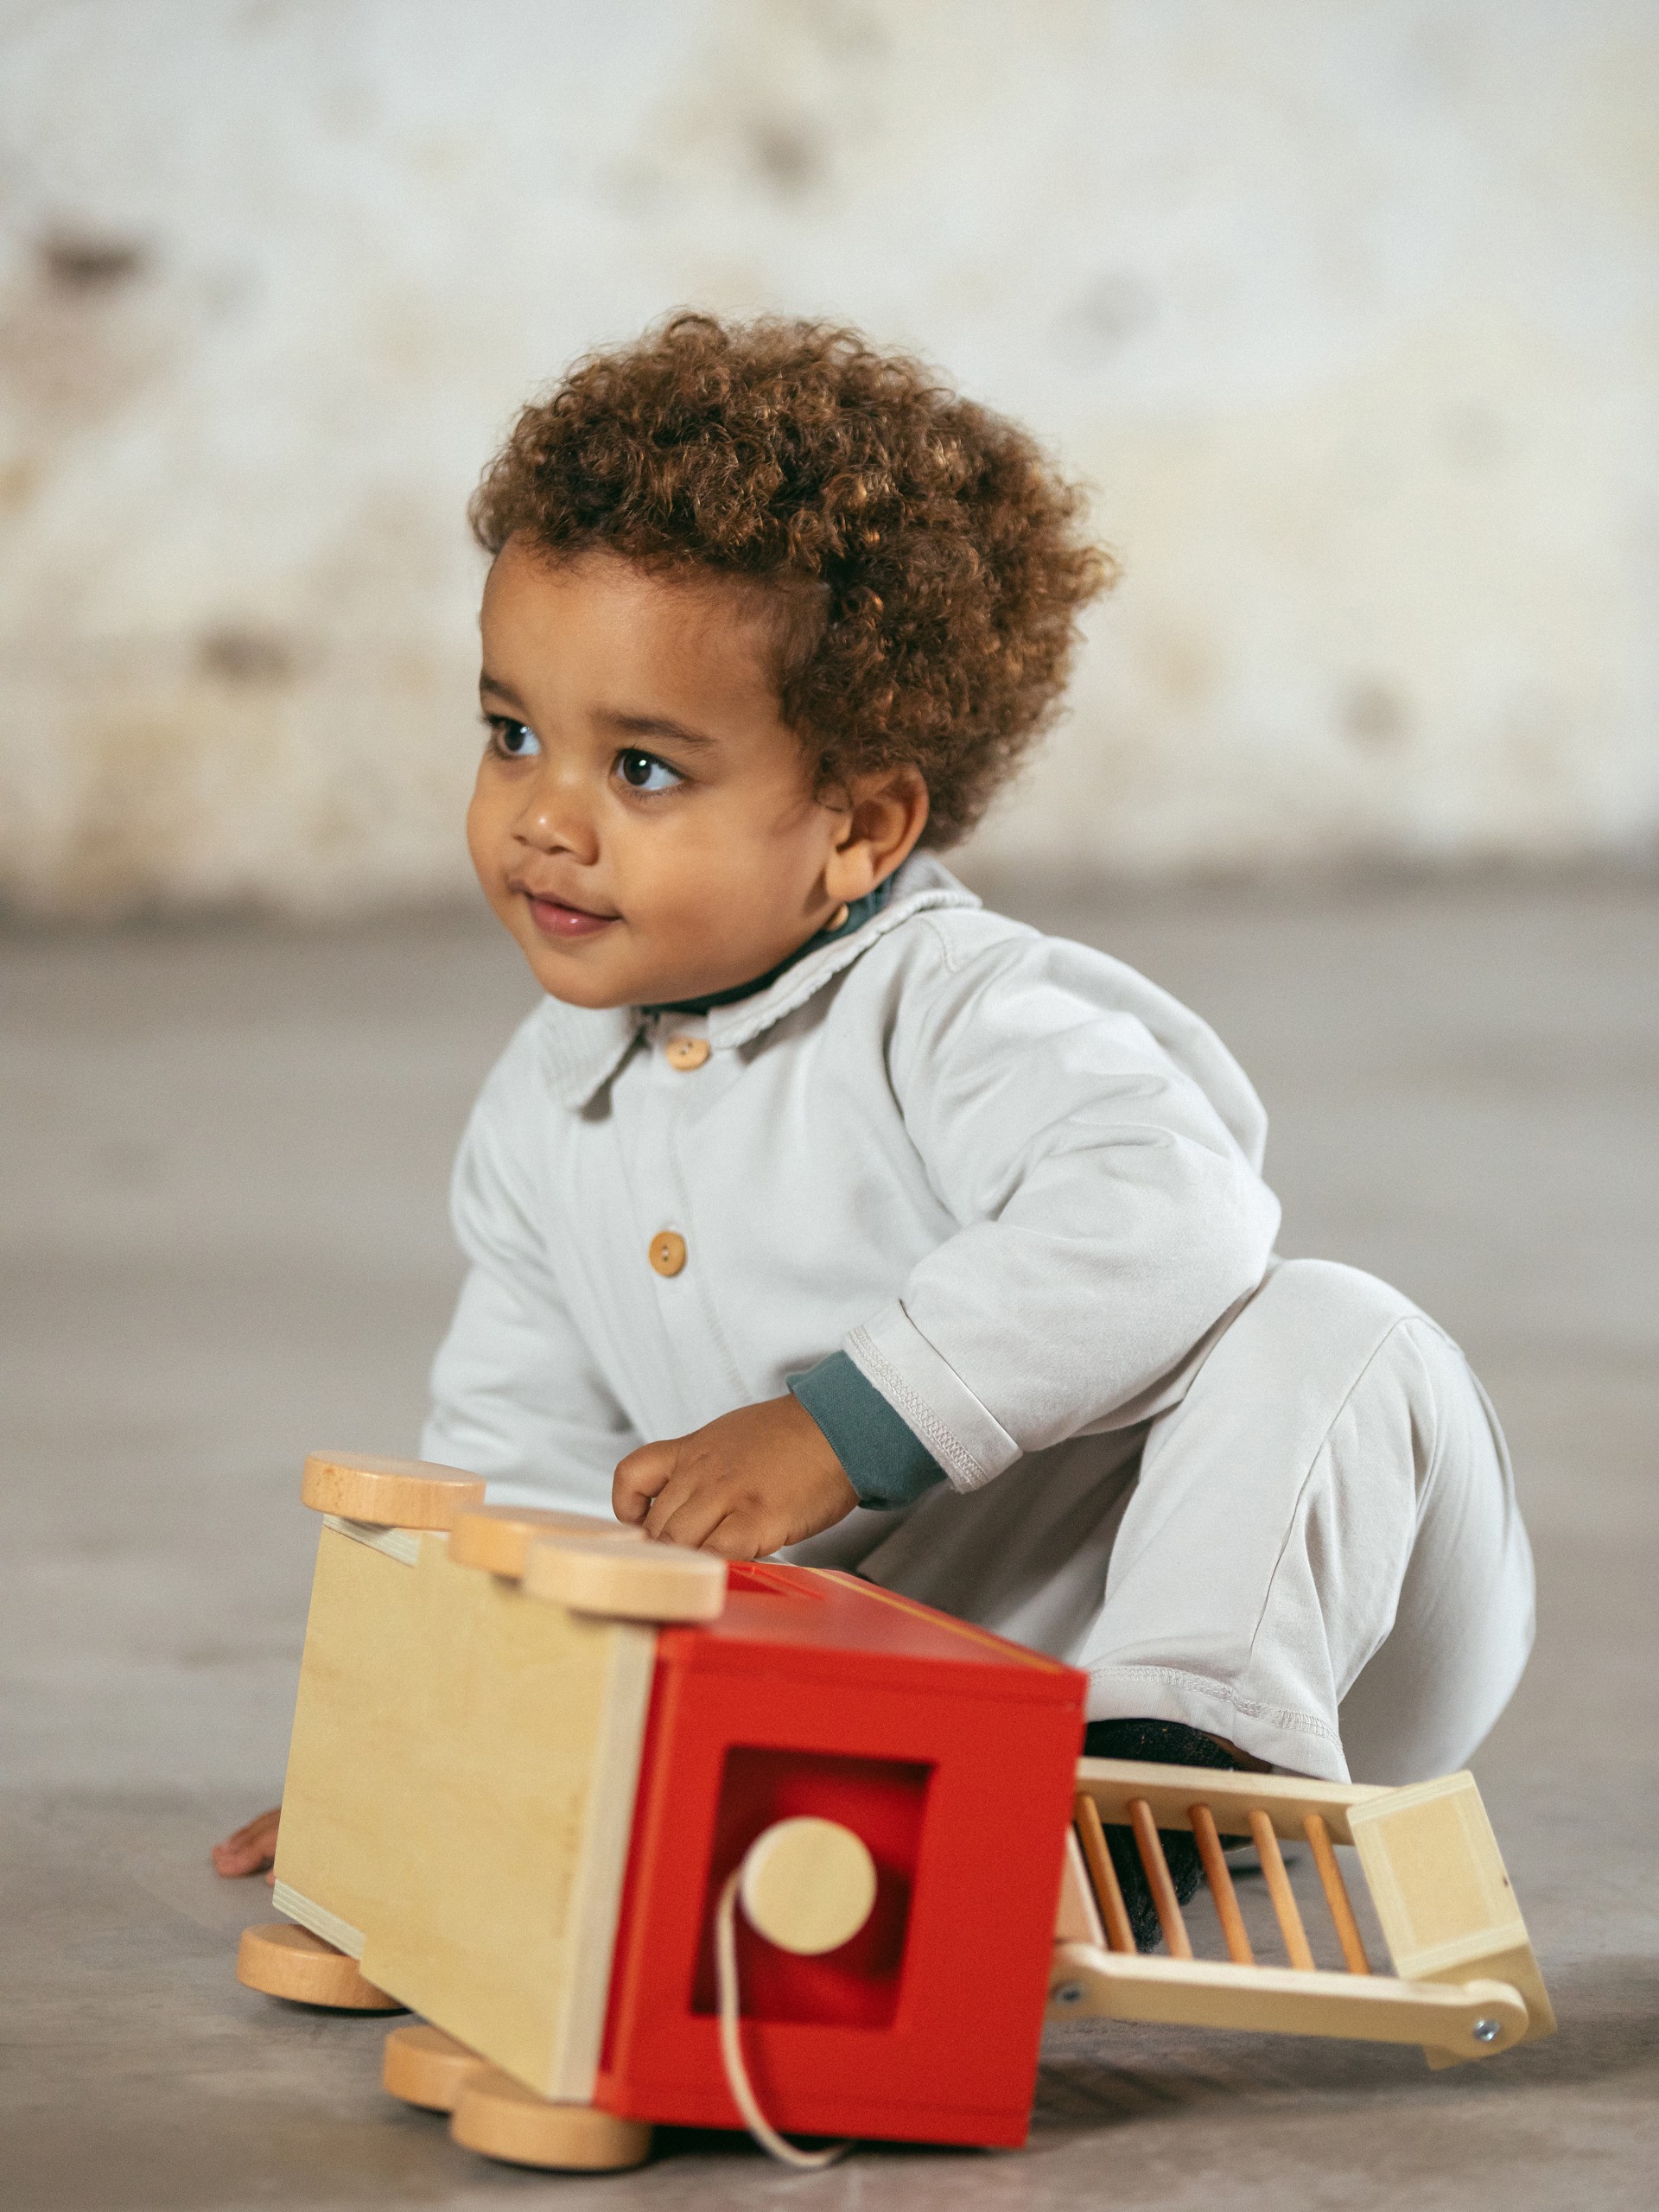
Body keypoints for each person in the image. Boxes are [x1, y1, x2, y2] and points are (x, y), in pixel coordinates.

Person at [214, 314, 1534, 1942]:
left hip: (1322, 1625)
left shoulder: (952, 1011)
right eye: (510, 736)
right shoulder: (543, 1111)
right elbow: (531, 1470)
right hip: (929, 1673)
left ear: (862, 826)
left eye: (640, 767)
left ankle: (1188, 1761)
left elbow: (1175, 1208)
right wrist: (432, 1750)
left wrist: (844, 1430)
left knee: (1343, 1325)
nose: (545, 816)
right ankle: (1029, 1813)